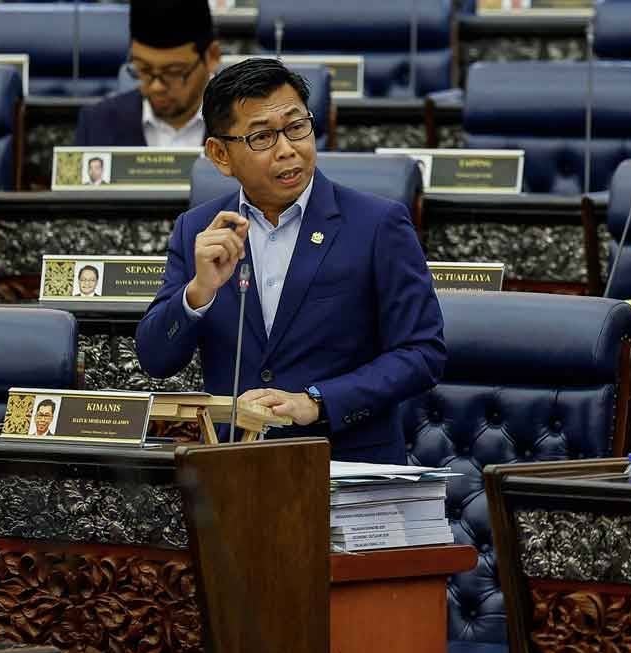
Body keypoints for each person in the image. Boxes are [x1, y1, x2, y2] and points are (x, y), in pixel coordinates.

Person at [135, 59, 445, 464]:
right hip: (235, 467)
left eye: (297, 127)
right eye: (262, 137)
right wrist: (199, 291)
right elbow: (155, 359)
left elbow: (422, 353)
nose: (287, 149)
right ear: (220, 154)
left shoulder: (377, 224)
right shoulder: (198, 229)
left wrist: (316, 401)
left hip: (345, 465)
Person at [74, 0, 221, 147]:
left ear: (211, 56)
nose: (156, 87)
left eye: (173, 72)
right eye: (144, 69)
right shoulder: (97, 124)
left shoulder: (235, 121)